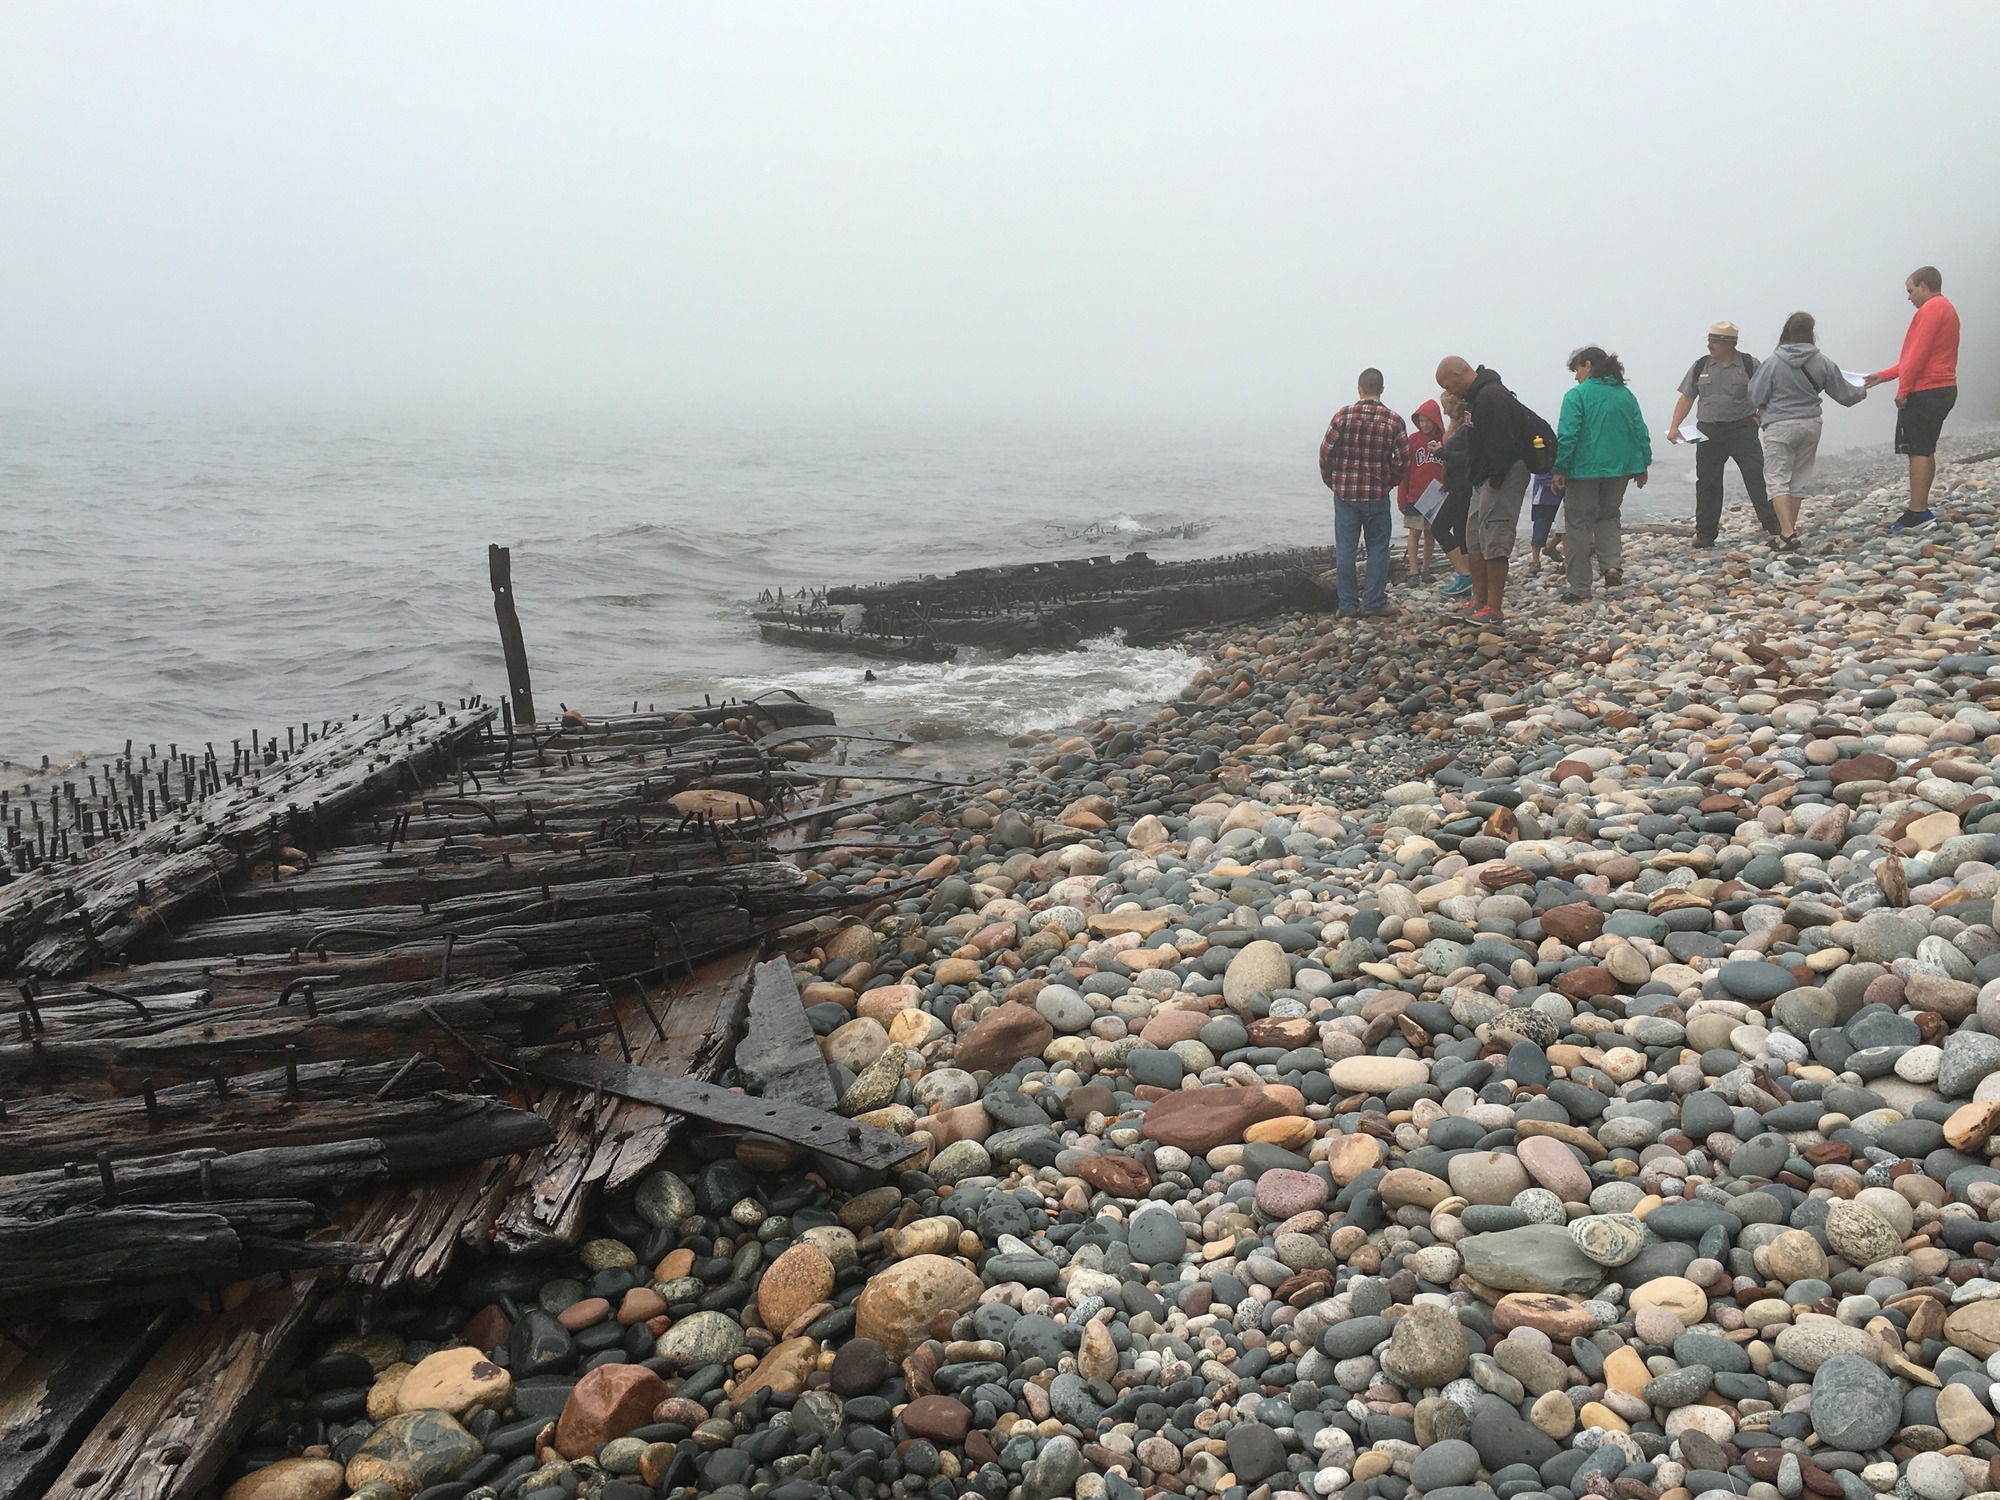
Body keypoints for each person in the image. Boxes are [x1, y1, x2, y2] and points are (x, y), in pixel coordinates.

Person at [1435, 356, 1545, 627]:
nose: (1449, 393)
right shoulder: (1476, 398)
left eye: (1448, 385)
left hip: (1501, 476)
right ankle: (1478, 600)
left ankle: (1493, 608)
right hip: (1481, 478)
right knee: (1475, 537)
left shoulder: (1491, 397)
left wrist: (1495, 478)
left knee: (1495, 538)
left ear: (1458, 375)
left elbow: (1503, 445)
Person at [1747, 311, 1868, 549]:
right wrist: (1864, 388)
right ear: (1811, 334)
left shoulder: (1772, 362)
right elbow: (1845, 395)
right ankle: (1786, 534)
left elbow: (1755, 395)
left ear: (1786, 332)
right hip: (1811, 423)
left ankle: (1788, 532)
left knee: (1777, 479)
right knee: (1798, 479)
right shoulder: (1822, 361)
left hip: (1780, 425)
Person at [1863, 266, 1961, 533]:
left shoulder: (1930, 309)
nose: (1909, 297)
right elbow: (1917, 358)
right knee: (1926, 448)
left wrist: (1903, 390)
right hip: (1942, 387)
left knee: (1917, 449)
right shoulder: (1946, 309)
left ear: (1923, 286)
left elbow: (1918, 355)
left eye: (1910, 290)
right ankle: (1921, 506)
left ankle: (1918, 512)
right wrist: (1883, 376)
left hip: (1926, 390)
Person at [1665, 321, 1778, 548]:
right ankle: (1705, 534)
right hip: (1708, 431)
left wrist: (1758, 418)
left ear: (1730, 343)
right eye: (1709, 339)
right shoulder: (1700, 366)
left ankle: (1773, 525)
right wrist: (1675, 426)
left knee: (1755, 476)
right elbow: (1687, 397)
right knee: (1707, 482)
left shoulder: (1749, 364)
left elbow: (1769, 393)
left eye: (1715, 340)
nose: (1710, 345)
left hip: (1742, 429)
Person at [1553, 346, 1652, 599]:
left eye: (1577, 369)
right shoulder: (1625, 395)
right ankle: (1610, 566)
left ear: (1587, 365)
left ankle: (1580, 587)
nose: (1576, 376)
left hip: (1583, 470)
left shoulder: (1577, 396)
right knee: (1609, 517)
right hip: (1619, 469)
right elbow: (1639, 430)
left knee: (1578, 526)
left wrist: (1560, 467)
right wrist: (1643, 464)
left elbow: (1568, 435)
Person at [1317, 367, 1409, 617]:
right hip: (1377, 494)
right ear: (1381, 389)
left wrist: (1332, 481)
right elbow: (1403, 460)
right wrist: (1389, 481)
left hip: (1346, 494)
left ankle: (1347, 605)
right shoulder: (1394, 420)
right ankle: (1373, 602)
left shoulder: (1343, 416)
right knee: (1378, 548)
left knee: (1345, 548)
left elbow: (1326, 453)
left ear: (1359, 388)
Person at [1429, 391, 1476, 599]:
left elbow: (1468, 457)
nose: (1444, 410)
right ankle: (1471, 577)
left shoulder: (1467, 428)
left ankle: (1464, 574)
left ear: (1457, 405)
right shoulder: (1457, 428)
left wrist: (1441, 452)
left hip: (1463, 486)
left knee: (1438, 527)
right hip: (1454, 485)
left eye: (1447, 405)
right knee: (1461, 532)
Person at [1398, 400, 1446, 580]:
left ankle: (1426, 569)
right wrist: (1402, 497)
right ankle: (1413, 571)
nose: (1425, 424)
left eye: (1428, 420)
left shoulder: (1444, 440)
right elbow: (1405, 471)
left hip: (1436, 495)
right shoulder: (1413, 440)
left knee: (1430, 533)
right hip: (1415, 495)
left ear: (1435, 420)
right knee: (1414, 532)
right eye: (1421, 420)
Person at [1527, 472, 1564, 575]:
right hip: (1543, 499)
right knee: (1540, 530)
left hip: (1561, 497)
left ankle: (1551, 547)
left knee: (1565, 527)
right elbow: (1540, 476)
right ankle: (1535, 561)